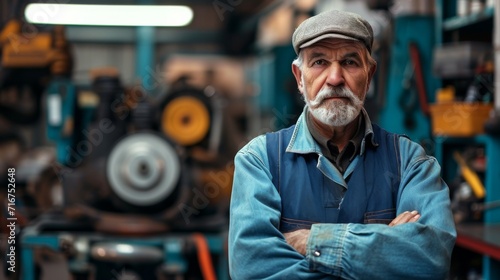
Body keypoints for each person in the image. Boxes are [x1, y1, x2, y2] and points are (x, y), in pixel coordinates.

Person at [228, 9, 456, 280]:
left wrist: (312, 241)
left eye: (349, 62)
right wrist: (382, 252)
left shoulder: (410, 162)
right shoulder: (259, 161)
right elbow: (250, 267)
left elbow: (430, 260)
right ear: (299, 77)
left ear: (369, 75)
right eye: (319, 62)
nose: (335, 79)